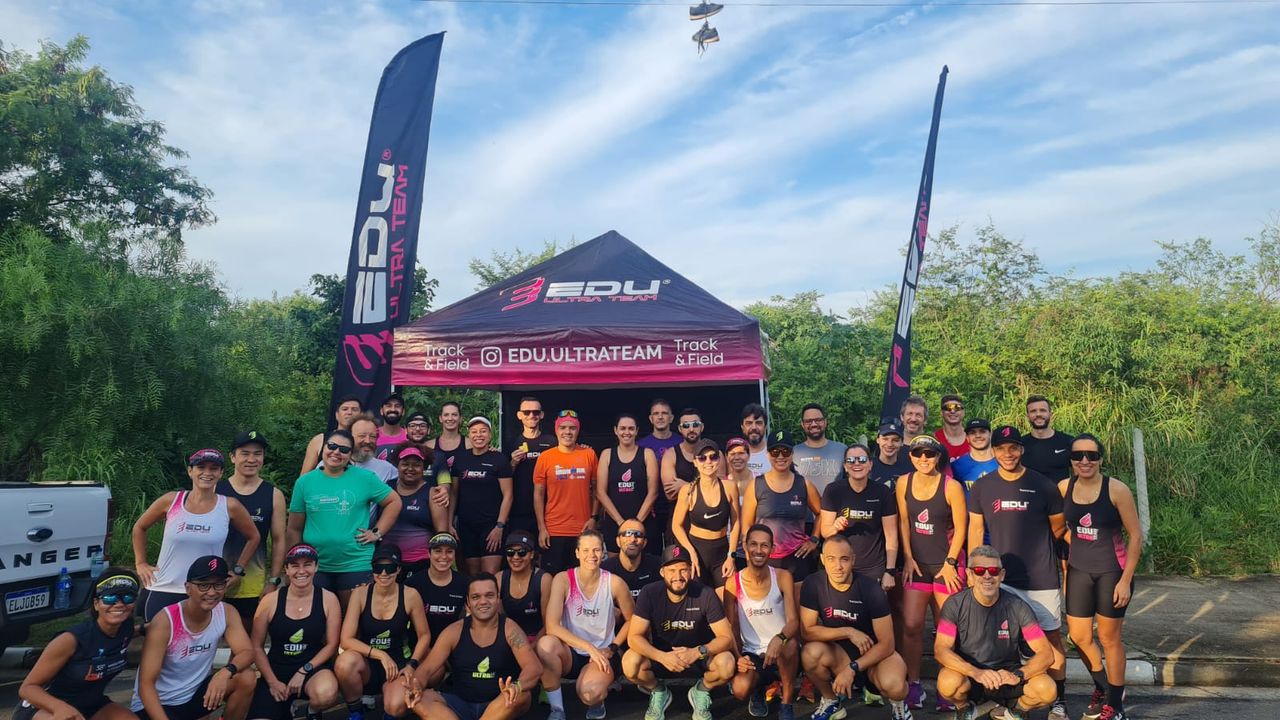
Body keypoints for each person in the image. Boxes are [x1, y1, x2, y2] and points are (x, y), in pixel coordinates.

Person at [967, 426, 1069, 720]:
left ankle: (1059, 701)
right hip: (1000, 578)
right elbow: (976, 530)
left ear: (1021, 450)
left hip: (1041, 578)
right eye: (1001, 448)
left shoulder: (1043, 485)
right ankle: (1004, 697)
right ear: (993, 451)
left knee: (1050, 639)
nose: (1007, 454)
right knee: (1001, 640)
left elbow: (1058, 528)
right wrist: (974, 570)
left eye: (1013, 447)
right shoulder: (982, 487)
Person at [1059, 435, 1143, 720]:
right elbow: (1059, 528)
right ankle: (1103, 687)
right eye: (1078, 455)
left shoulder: (1116, 489)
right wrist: (1074, 550)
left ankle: (1116, 707)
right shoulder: (1064, 487)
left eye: (1092, 456)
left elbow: (1136, 536)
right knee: (1079, 636)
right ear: (1071, 459)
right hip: (1079, 571)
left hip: (1112, 572)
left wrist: (1125, 580)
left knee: (1109, 638)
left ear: (1101, 459)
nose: (1085, 461)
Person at [133, 448, 261, 622]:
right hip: (165, 587)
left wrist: (238, 570)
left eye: (213, 468)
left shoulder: (229, 506)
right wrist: (140, 563)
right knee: (157, 638)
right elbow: (140, 527)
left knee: (200, 639)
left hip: (206, 592)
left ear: (221, 473)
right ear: (190, 471)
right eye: (201, 467)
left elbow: (254, 537)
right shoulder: (172, 501)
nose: (207, 473)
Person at [934, 546, 1058, 720]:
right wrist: (976, 672)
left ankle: (1016, 711)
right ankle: (965, 709)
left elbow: (1046, 654)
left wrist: (1018, 675)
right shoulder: (954, 604)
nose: (987, 576)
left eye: (993, 571)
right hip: (971, 675)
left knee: (1047, 690)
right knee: (948, 682)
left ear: (1002, 575)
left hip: (1007, 676)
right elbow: (941, 649)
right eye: (979, 571)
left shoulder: (1018, 606)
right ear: (969, 574)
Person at [799, 534, 912, 720]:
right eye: (831, 559)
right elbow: (807, 631)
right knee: (810, 653)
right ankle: (831, 701)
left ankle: (899, 706)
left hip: (875, 657)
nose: (838, 566)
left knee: (896, 685)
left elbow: (887, 644)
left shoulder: (871, 589)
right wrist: (848, 632)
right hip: (839, 655)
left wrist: (853, 668)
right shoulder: (813, 583)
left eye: (844, 559)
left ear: (853, 560)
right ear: (822, 560)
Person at [287, 428, 402, 609]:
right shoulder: (304, 482)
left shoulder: (365, 478)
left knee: (354, 617)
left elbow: (394, 502)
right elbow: (294, 528)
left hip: (355, 562)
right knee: (319, 618)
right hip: (316, 564)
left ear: (351, 454)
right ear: (323, 448)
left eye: (344, 449)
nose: (336, 452)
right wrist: (296, 562)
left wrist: (377, 532)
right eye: (332, 446)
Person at [132, 556, 257, 720]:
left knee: (246, 677)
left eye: (219, 584)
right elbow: (146, 685)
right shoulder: (166, 621)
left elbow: (247, 651)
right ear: (188, 588)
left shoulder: (226, 612)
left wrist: (226, 672)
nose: (212, 592)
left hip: (195, 697)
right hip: (161, 703)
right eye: (203, 585)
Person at [404, 574, 541, 720]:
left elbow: (533, 667)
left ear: (498, 598)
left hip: (500, 703)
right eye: (476, 597)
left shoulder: (511, 631)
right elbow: (426, 670)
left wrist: (517, 686)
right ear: (468, 603)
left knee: (522, 695)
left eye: (489, 595)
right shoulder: (453, 632)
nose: (483, 601)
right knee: (420, 700)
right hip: (460, 704)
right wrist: (417, 686)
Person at [896, 435, 968, 712]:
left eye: (929, 453)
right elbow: (904, 522)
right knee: (912, 625)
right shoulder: (904, 482)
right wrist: (907, 556)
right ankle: (914, 684)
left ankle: (945, 686)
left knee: (946, 629)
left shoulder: (951, 487)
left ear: (938, 456)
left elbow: (961, 528)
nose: (923, 458)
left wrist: (950, 562)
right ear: (911, 456)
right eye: (918, 453)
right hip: (917, 566)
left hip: (945, 566)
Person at [623, 545, 736, 720]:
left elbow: (726, 637)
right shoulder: (649, 592)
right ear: (662, 572)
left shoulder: (705, 593)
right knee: (630, 663)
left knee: (727, 664)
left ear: (691, 571)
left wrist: (698, 651)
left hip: (699, 657)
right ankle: (658, 691)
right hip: (663, 657)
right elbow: (633, 637)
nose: (678, 576)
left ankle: (701, 691)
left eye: (683, 570)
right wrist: (661, 657)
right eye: (672, 570)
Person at [15, 570, 139, 720]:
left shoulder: (125, 627)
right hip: (48, 706)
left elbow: (135, 631)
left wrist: (148, 628)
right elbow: (27, 688)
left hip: (90, 703)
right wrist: (60, 708)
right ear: (96, 604)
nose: (119, 604)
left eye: (127, 598)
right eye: (109, 598)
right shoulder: (70, 640)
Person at [537, 530, 635, 720]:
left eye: (596, 550)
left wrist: (613, 647)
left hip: (602, 654)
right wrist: (588, 647)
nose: (592, 555)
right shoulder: (563, 579)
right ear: (577, 553)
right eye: (586, 550)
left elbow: (633, 620)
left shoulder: (614, 583)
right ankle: (557, 710)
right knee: (545, 645)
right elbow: (552, 626)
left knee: (589, 694)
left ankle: (598, 699)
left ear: (603, 553)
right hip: (571, 653)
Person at [336, 544, 432, 720]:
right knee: (344, 662)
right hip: (367, 663)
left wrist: (412, 665)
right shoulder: (360, 594)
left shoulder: (410, 595)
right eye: (378, 568)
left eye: (390, 568)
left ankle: (389, 713)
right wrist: (381, 655)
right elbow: (346, 639)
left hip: (398, 663)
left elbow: (424, 635)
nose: (384, 573)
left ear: (399, 569)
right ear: (372, 569)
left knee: (395, 706)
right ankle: (356, 711)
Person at [248, 544, 341, 720]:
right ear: (287, 569)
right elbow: (256, 646)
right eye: (295, 565)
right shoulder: (270, 601)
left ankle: (311, 711)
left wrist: (304, 670)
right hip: (277, 670)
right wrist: (272, 682)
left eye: (307, 564)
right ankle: (286, 708)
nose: (301, 571)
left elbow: (332, 644)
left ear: (316, 567)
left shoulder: (329, 599)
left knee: (326, 693)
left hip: (312, 668)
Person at [723, 525, 800, 720]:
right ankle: (758, 687)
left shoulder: (782, 577)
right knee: (740, 689)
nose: (759, 550)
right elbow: (730, 627)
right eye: (754, 544)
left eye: (764, 545)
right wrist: (738, 657)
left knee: (790, 644)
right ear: (745, 546)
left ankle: (786, 703)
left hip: (782, 648)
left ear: (772, 549)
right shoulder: (733, 583)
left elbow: (793, 621)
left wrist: (779, 638)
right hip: (752, 652)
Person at [218, 430, 287, 628]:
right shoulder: (216, 490)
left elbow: (279, 540)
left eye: (257, 454)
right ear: (232, 457)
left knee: (248, 639)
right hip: (215, 579)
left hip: (252, 583)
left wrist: (273, 581)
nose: (251, 459)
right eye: (245, 453)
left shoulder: (274, 495)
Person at [741, 431, 821, 583]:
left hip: (797, 557)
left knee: (797, 598)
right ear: (768, 454)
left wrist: (814, 539)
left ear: (792, 454)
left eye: (785, 451)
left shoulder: (804, 484)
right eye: (775, 452)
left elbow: (821, 512)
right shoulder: (756, 485)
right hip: (765, 556)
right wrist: (749, 553)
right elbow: (746, 525)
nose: (780, 456)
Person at [819, 443, 898, 588]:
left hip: (873, 567)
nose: (856, 464)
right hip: (840, 567)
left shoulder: (882, 492)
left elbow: (891, 536)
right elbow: (825, 532)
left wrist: (890, 571)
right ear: (845, 466)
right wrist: (835, 527)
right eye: (851, 460)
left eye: (862, 459)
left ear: (870, 464)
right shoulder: (833, 491)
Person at [534, 410, 599, 574]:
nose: (567, 432)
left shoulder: (589, 454)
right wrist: (542, 528)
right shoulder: (545, 457)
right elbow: (538, 494)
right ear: (556, 430)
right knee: (554, 580)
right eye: (563, 428)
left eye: (572, 428)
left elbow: (597, 490)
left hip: (583, 530)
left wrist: (594, 518)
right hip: (554, 530)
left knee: (582, 580)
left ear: (578, 431)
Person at [671, 439, 739, 593]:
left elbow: (736, 523)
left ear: (719, 460)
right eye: (702, 458)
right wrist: (690, 552)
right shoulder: (688, 491)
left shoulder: (729, 487)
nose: (708, 461)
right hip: (697, 551)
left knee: (728, 599)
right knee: (699, 601)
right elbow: (676, 525)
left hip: (721, 552)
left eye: (713, 457)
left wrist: (731, 556)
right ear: (695, 462)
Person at [450, 416, 514, 575]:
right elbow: (454, 493)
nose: (478, 435)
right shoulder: (461, 459)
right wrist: (449, 523)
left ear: (490, 435)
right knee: (472, 575)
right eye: (474, 431)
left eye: (483, 431)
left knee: (490, 575)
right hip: (466, 526)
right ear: (469, 435)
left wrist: (499, 526)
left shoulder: (499, 459)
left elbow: (508, 495)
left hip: (491, 526)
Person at [376, 444, 451, 577]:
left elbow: (442, 534)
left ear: (424, 467)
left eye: (416, 465)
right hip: (387, 563)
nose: (410, 468)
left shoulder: (434, 493)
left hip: (420, 563)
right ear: (397, 465)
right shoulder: (386, 488)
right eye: (405, 464)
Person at [596, 412, 660, 554]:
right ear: (615, 430)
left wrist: (636, 524)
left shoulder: (647, 454)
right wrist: (621, 523)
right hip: (614, 522)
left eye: (631, 428)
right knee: (615, 563)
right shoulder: (607, 454)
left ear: (636, 431)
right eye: (622, 428)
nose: (627, 432)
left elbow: (653, 492)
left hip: (643, 521)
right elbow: (600, 492)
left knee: (646, 562)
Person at [505, 396, 557, 541]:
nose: (531, 415)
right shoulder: (511, 443)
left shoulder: (552, 442)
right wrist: (513, 463)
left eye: (536, 412)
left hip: (549, 509)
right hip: (520, 510)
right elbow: (503, 478)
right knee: (520, 550)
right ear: (519, 415)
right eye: (527, 412)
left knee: (546, 551)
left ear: (542, 415)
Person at [404, 532, 469, 643]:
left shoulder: (465, 583)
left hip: (454, 645)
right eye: (438, 551)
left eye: (449, 551)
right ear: (429, 553)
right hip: (419, 646)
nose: (444, 556)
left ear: (455, 555)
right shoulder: (413, 583)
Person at [638, 399, 682, 550]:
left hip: (676, 504)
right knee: (652, 552)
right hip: (651, 507)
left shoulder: (681, 442)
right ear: (651, 418)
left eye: (664, 413)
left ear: (671, 418)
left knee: (675, 551)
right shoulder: (641, 445)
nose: (660, 417)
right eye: (656, 414)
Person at [496, 530, 551, 642]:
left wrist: (531, 647)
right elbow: (496, 619)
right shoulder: (499, 578)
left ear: (532, 554)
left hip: (538, 638)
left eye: (522, 552)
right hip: (511, 638)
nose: (515, 557)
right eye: (510, 552)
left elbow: (548, 624)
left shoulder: (544, 579)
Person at [792, 404, 848, 499]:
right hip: (803, 507)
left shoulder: (842, 450)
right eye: (808, 421)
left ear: (825, 422)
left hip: (836, 507)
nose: (814, 424)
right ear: (802, 424)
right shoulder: (793, 453)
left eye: (818, 420)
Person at [301, 395, 363, 476]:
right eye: (345, 409)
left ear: (361, 415)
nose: (349, 412)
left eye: (354, 409)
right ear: (337, 415)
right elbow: (304, 477)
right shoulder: (320, 440)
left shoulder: (366, 442)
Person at [602, 519, 662, 599]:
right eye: (627, 534)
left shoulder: (658, 566)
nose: (633, 539)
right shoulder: (605, 571)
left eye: (638, 535)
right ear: (618, 541)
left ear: (644, 542)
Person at [1022, 396, 1074, 480]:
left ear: (1050, 414)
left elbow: (1079, 474)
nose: (1038, 414)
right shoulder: (1020, 444)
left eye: (1043, 410)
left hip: (1060, 489)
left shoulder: (1068, 442)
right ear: (1027, 416)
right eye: (1033, 411)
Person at [951, 419, 997, 493]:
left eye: (982, 431)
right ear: (967, 438)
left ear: (990, 434)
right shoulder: (956, 466)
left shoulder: (1004, 462)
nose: (978, 435)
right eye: (972, 433)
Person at [351, 414, 399, 484]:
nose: (368, 441)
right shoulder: (339, 465)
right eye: (362, 436)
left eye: (372, 436)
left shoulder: (387, 469)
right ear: (350, 438)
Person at [426, 401, 469, 474]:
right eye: (446, 415)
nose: (450, 418)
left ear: (460, 418)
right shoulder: (428, 446)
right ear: (440, 418)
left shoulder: (470, 445)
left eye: (454, 415)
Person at [870, 421, 914, 491]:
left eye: (895, 440)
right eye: (885, 439)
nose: (889, 444)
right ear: (878, 440)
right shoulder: (867, 466)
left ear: (902, 443)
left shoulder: (910, 469)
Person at [933, 395, 970, 460]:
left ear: (963, 412)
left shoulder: (973, 438)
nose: (952, 411)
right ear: (941, 413)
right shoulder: (934, 439)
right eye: (947, 408)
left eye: (957, 408)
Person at [375, 392, 408, 461]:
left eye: (397, 406)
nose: (393, 409)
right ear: (381, 411)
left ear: (403, 412)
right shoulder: (373, 435)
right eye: (388, 406)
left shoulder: (408, 436)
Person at [739, 403, 770, 477]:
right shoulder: (734, 455)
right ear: (742, 427)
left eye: (758, 423)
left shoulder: (775, 453)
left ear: (765, 427)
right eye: (749, 423)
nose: (754, 427)